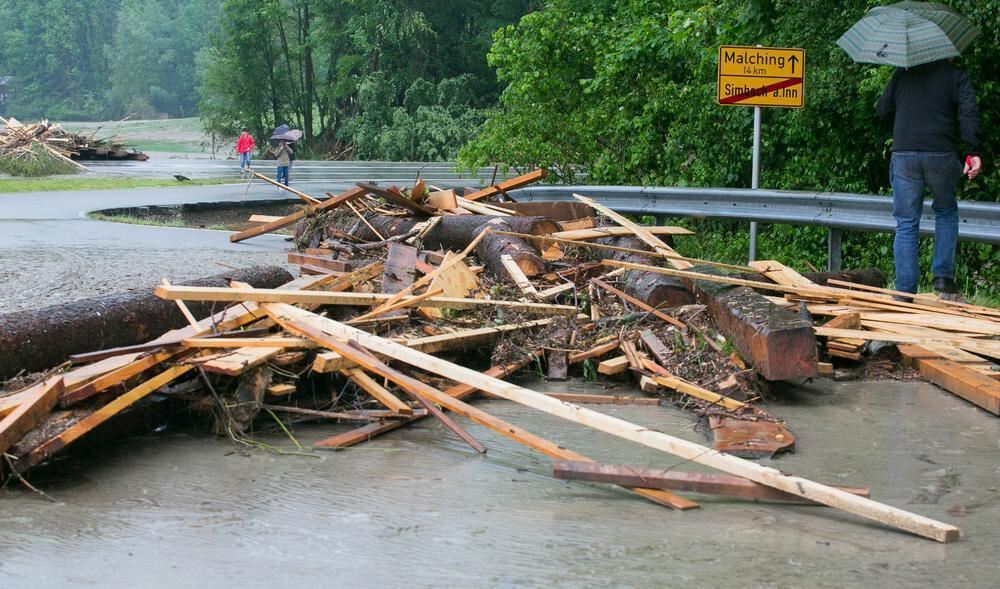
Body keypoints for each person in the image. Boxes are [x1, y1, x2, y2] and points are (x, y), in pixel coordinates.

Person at [876, 58, 984, 301]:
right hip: (940, 153)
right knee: (945, 211)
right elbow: (969, 114)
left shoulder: (903, 74)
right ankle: (944, 280)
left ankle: (904, 291)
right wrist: (973, 152)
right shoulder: (955, 76)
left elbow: (882, 110)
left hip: (904, 153)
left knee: (906, 222)